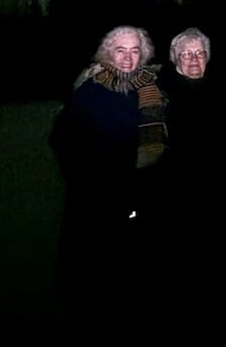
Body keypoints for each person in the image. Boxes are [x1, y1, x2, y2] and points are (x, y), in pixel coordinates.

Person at [48, 25, 167, 338]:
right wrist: (83, 178)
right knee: (90, 277)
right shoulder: (89, 89)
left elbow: (161, 141)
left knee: (129, 276)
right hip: (93, 199)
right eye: (120, 50)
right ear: (108, 53)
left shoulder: (151, 90)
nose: (128, 58)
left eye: (134, 51)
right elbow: (61, 139)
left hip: (136, 195)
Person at [152, 27, 226, 339]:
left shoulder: (224, 90)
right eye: (186, 54)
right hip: (172, 199)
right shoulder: (158, 92)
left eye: (199, 53)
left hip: (216, 200)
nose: (194, 59)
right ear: (175, 59)